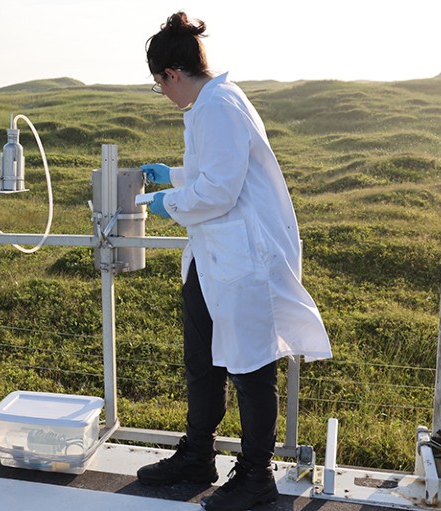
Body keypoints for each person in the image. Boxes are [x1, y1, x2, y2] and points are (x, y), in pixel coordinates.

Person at [136, 12, 333, 511]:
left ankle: (255, 478)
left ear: (172, 75)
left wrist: (170, 203)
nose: (165, 95)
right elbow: (215, 170)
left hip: (246, 259)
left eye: (160, 86)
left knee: (250, 368)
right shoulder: (210, 105)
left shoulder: (219, 105)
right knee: (202, 363)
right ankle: (198, 456)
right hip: (212, 257)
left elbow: (220, 191)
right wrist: (174, 176)